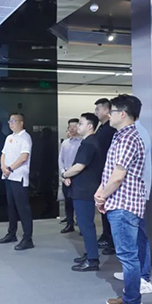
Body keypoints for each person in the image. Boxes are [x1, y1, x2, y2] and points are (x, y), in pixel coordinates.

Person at [95, 95, 147, 304]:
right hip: (119, 202)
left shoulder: (128, 139)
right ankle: (129, 297)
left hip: (124, 205)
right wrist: (101, 191)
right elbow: (110, 172)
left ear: (123, 114)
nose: (109, 114)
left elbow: (118, 177)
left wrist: (101, 197)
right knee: (127, 255)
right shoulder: (121, 136)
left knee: (128, 257)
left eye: (113, 111)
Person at [112, 119, 152, 294]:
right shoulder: (125, 133)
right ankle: (134, 274)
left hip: (134, 196)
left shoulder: (135, 134)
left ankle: (144, 278)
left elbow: (130, 170)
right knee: (131, 241)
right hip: (128, 195)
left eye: (113, 110)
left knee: (140, 237)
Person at [62, 113, 102, 272]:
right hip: (82, 188)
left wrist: (65, 174)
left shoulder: (89, 143)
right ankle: (89, 254)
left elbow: (79, 166)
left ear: (90, 126)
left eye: (81, 123)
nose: (78, 126)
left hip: (85, 190)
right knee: (85, 225)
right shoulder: (88, 142)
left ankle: (92, 260)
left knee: (86, 226)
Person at [0, 113, 34, 251]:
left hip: (19, 177)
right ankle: (11, 233)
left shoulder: (25, 137)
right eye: (9, 121)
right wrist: (3, 167)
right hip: (8, 177)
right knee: (11, 207)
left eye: (13, 121)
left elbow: (24, 157)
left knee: (23, 208)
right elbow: (3, 154)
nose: (11, 124)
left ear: (21, 123)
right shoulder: (9, 137)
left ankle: (27, 238)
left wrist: (10, 168)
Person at [94, 98, 117, 255]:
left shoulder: (110, 129)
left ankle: (112, 241)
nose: (96, 112)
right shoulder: (102, 128)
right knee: (103, 208)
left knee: (109, 208)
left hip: (109, 174)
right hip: (101, 172)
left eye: (98, 109)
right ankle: (107, 236)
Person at [58, 118, 82, 233]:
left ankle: (82, 226)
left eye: (74, 126)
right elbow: (60, 160)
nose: (72, 129)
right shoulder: (65, 143)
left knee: (80, 204)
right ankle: (69, 223)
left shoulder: (83, 142)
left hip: (79, 176)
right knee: (68, 203)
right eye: (70, 127)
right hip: (66, 177)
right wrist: (64, 174)